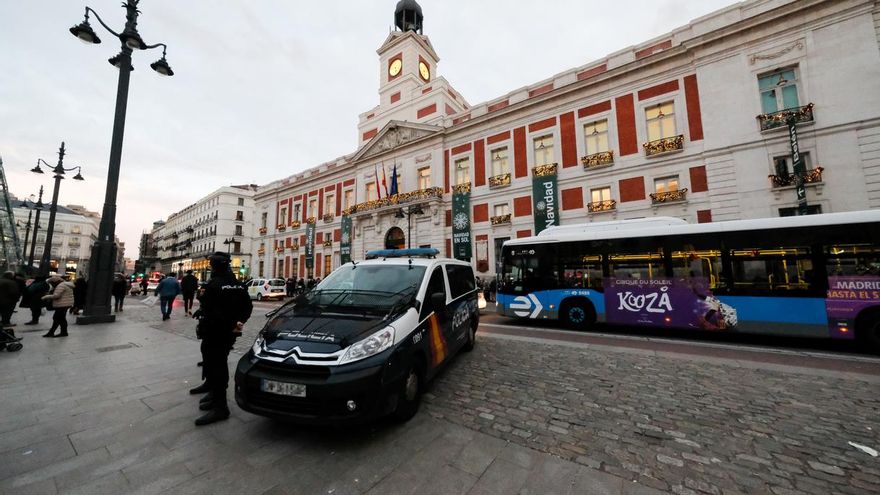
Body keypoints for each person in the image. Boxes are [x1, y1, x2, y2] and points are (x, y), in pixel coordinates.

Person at [192, 252, 252, 426]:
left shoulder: (214, 284)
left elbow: (207, 306)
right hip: (228, 332)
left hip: (214, 331)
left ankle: (220, 407)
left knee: (217, 365)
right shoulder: (237, 284)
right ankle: (213, 394)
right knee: (216, 362)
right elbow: (247, 307)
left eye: (212, 264)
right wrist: (238, 323)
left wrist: (208, 315)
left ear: (216, 266)